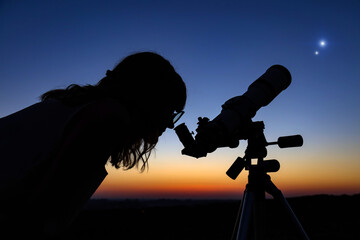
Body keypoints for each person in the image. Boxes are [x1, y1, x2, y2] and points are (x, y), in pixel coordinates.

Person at [0, 52, 187, 237]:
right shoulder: (108, 118)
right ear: (149, 98)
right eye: (169, 110)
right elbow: (38, 216)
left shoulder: (79, 106)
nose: (170, 123)